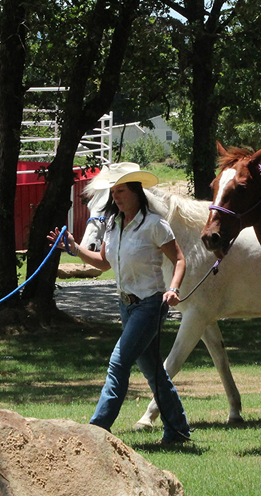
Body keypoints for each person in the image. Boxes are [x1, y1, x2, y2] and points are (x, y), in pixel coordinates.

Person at [48, 162, 192, 444]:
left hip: (150, 305)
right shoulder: (113, 225)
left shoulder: (154, 224)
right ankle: (177, 429)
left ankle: (98, 428)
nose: (116, 196)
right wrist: (75, 249)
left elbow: (180, 260)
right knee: (153, 371)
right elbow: (103, 264)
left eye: (121, 190)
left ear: (137, 191)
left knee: (118, 362)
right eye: (113, 191)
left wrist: (173, 289)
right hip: (126, 306)